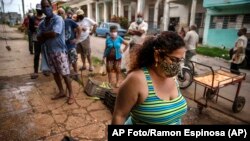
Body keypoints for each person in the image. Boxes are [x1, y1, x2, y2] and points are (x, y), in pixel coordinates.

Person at [112, 31, 188, 125]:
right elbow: (119, 116)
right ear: (157, 55)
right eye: (174, 60)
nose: (178, 65)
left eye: (180, 60)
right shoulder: (136, 80)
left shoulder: (172, 77)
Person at [38, 0, 74, 105]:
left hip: (60, 52)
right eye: (44, 7)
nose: (46, 9)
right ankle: (62, 91)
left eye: (47, 6)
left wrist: (44, 35)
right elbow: (39, 39)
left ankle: (71, 94)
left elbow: (54, 33)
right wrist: (45, 35)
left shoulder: (58, 19)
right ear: (42, 9)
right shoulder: (42, 23)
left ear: (51, 6)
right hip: (49, 52)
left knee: (65, 74)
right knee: (55, 73)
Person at [57, 8, 81, 77]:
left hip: (71, 45)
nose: (61, 14)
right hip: (61, 46)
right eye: (59, 13)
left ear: (65, 14)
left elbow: (79, 28)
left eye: (62, 13)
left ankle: (76, 72)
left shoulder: (69, 21)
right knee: (65, 61)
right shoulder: (56, 23)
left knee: (73, 59)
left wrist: (77, 39)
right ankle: (68, 73)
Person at [30, 4, 45, 79]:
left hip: (44, 39)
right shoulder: (32, 18)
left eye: (40, 9)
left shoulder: (45, 18)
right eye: (38, 10)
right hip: (36, 39)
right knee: (36, 55)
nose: (39, 11)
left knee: (45, 55)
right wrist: (35, 27)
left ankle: (46, 70)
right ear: (36, 10)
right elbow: (30, 28)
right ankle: (35, 71)